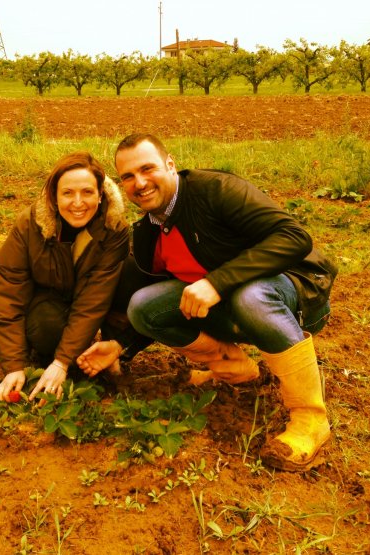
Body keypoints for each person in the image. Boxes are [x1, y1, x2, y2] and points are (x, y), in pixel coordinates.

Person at [77, 134, 338, 471]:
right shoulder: (148, 234)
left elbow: (295, 238)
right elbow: (157, 305)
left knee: (250, 295)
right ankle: (234, 367)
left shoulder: (215, 191)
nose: (139, 182)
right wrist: (120, 346)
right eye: (128, 176)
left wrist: (217, 282)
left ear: (170, 165)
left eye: (147, 168)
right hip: (232, 307)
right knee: (144, 304)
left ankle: (310, 418)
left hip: (294, 293)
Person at [0, 151, 129, 404]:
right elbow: (7, 293)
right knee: (45, 327)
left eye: (87, 192)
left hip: (94, 301)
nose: (78, 203)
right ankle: (47, 352)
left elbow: (94, 300)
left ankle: (111, 352)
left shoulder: (114, 229)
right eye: (68, 193)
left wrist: (62, 362)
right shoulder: (30, 226)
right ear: (55, 196)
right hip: (52, 300)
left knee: (129, 279)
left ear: (100, 195)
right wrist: (13, 365)